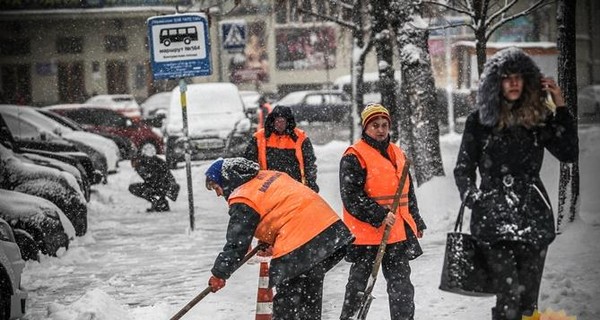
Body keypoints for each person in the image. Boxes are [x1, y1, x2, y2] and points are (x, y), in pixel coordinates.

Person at [453, 47, 578, 320]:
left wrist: (560, 105)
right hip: (492, 219)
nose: (512, 82)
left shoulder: (537, 119)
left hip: (532, 216)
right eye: (506, 77)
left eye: (518, 77)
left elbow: (568, 153)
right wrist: (473, 197)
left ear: (528, 81)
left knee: (527, 303)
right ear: (495, 83)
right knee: (508, 299)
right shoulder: (479, 121)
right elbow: (463, 168)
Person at [204, 157, 354, 320]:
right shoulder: (269, 176)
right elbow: (283, 208)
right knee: (308, 299)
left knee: (287, 306)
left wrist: (219, 274)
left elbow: (237, 244)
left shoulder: (243, 197)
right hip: (328, 232)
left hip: (300, 243)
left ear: (226, 180)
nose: (219, 194)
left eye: (216, 187)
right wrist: (269, 237)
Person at [338, 103, 426, 320]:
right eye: (375, 125)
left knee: (401, 289)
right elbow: (351, 196)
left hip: (395, 235)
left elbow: (407, 191)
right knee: (359, 288)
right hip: (367, 237)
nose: (380, 129)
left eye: (384, 125)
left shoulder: (397, 153)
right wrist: (378, 214)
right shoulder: (354, 155)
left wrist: (415, 219)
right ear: (365, 127)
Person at [244, 105, 319, 192]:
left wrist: (311, 183)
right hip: (267, 188)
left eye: (283, 121)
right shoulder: (259, 137)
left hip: (294, 188)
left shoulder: (301, 138)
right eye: (278, 121)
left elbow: (309, 163)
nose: (280, 124)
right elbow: (249, 162)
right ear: (273, 121)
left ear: (288, 122)